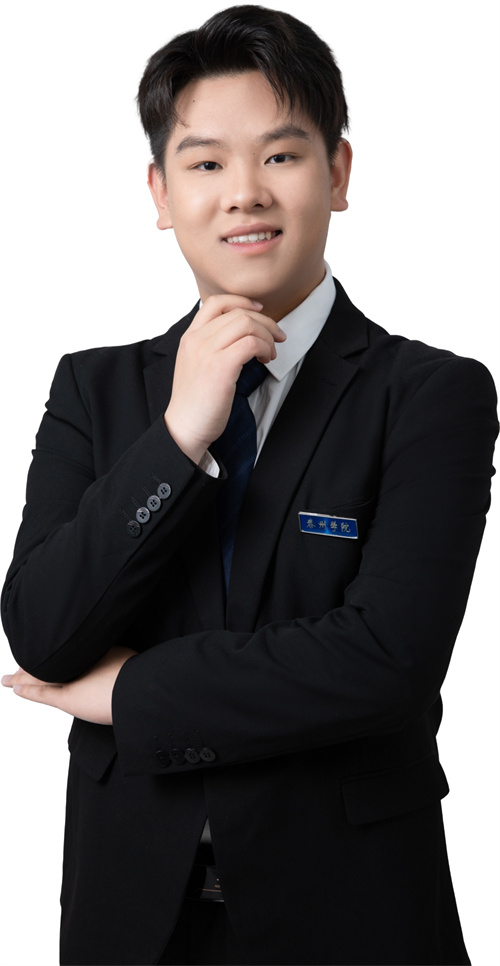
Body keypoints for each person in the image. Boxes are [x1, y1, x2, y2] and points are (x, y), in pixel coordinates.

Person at [1, 4, 498, 964]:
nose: (244, 194)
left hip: (351, 916)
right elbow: (44, 632)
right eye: (205, 163)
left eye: (280, 155)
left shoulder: (431, 394)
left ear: (337, 173)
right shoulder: (95, 389)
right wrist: (177, 436)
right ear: (160, 192)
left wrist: (135, 690)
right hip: (129, 920)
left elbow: (385, 663)